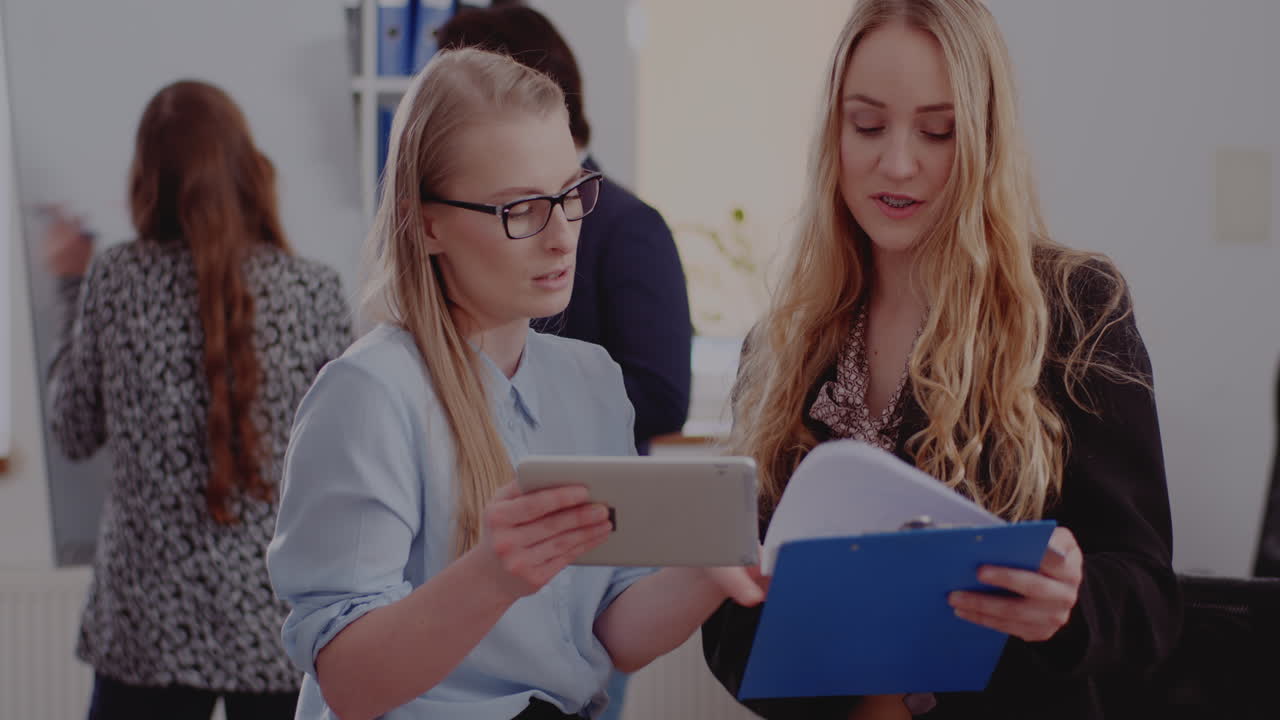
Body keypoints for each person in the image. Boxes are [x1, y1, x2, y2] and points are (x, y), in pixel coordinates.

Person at [699, 1, 1180, 718]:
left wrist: (1071, 605)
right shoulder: (783, 344)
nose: (898, 163)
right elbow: (732, 628)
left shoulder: (1075, 311)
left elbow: (1149, 599)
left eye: (938, 131)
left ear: (986, 137)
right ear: (832, 133)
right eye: (866, 125)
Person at [265, 48, 762, 720]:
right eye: (520, 208)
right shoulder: (369, 395)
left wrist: (707, 571)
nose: (561, 236)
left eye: (571, 194)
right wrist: (491, 577)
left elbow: (613, 630)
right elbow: (350, 683)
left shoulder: (591, 382)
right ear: (426, 221)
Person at [45, 80, 352, 719]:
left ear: (146, 179)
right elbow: (343, 465)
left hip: (145, 623)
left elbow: (72, 430)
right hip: (276, 619)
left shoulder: (116, 279)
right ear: (247, 168)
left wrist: (69, 289)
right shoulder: (314, 289)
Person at [436, 5, 693, 456]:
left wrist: (532, 394)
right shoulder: (387, 386)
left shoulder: (629, 226)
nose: (559, 236)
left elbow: (662, 395)